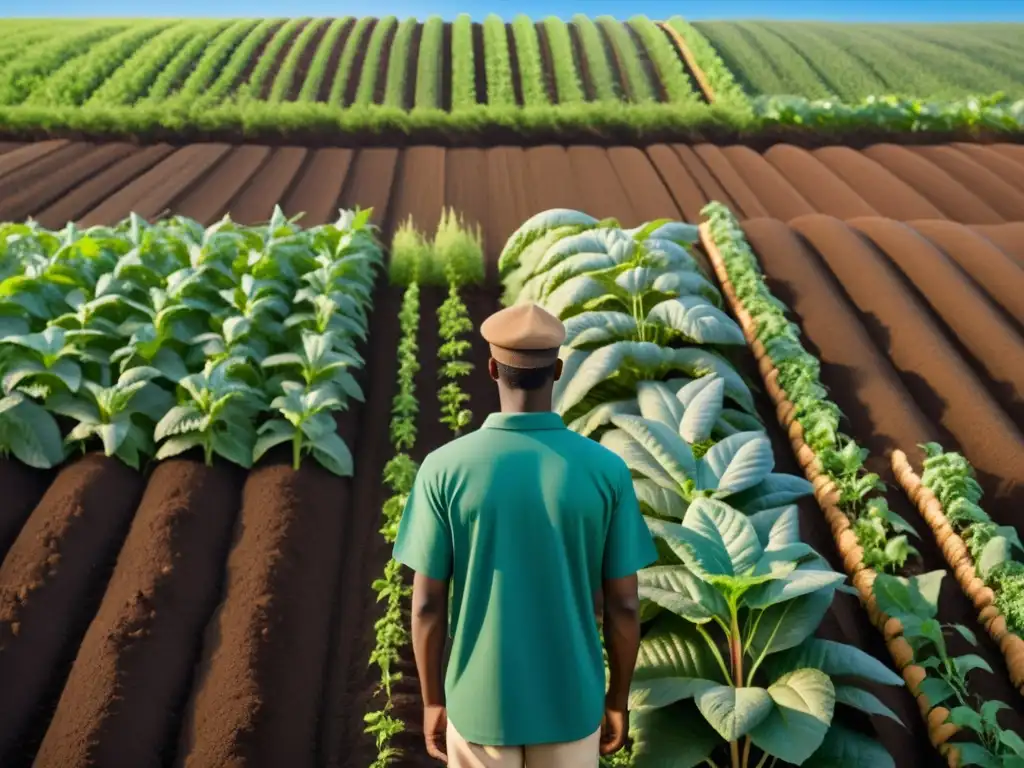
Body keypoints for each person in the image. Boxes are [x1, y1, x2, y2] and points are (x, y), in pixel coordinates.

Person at [392, 302, 658, 767]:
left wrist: (434, 700)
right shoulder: (606, 471)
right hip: (571, 705)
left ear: (492, 367)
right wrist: (616, 701)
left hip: (479, 705)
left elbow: (428, 604)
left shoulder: (444, 469)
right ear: (558, 369)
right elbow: (625, 604)